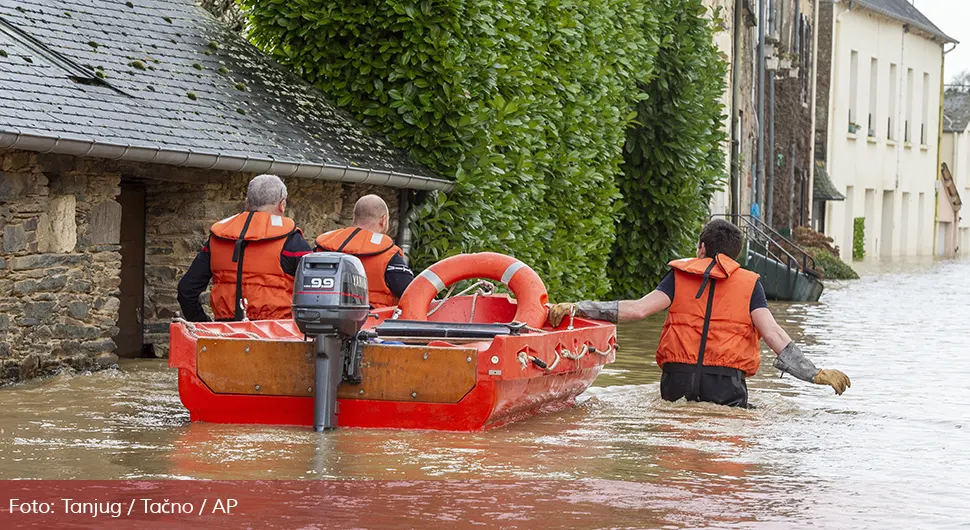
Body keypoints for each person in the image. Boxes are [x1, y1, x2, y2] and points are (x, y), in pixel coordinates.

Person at [548, 219, 850, 408]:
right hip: (724, 385)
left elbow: (638, 309)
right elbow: (773, 335)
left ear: (701, 248)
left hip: (676, 380)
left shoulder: (678, 276)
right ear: (736, 255)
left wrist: (579, 307)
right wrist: (814, 374)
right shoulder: (749, 284)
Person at [177, 174, 313, 322]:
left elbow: (186, 290)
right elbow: (316, 295)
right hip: (277, 334)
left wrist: (204, 324)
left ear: (247, 203)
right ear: (282, 205)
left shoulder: (218, 238)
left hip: (225, 334)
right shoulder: (292, 241)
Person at [315, 195, 414, 308]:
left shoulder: (324, 245)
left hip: (322, 317)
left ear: (354, 218)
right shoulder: (388, 255)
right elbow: (413, 294)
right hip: (373, 322)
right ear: (383, 220)